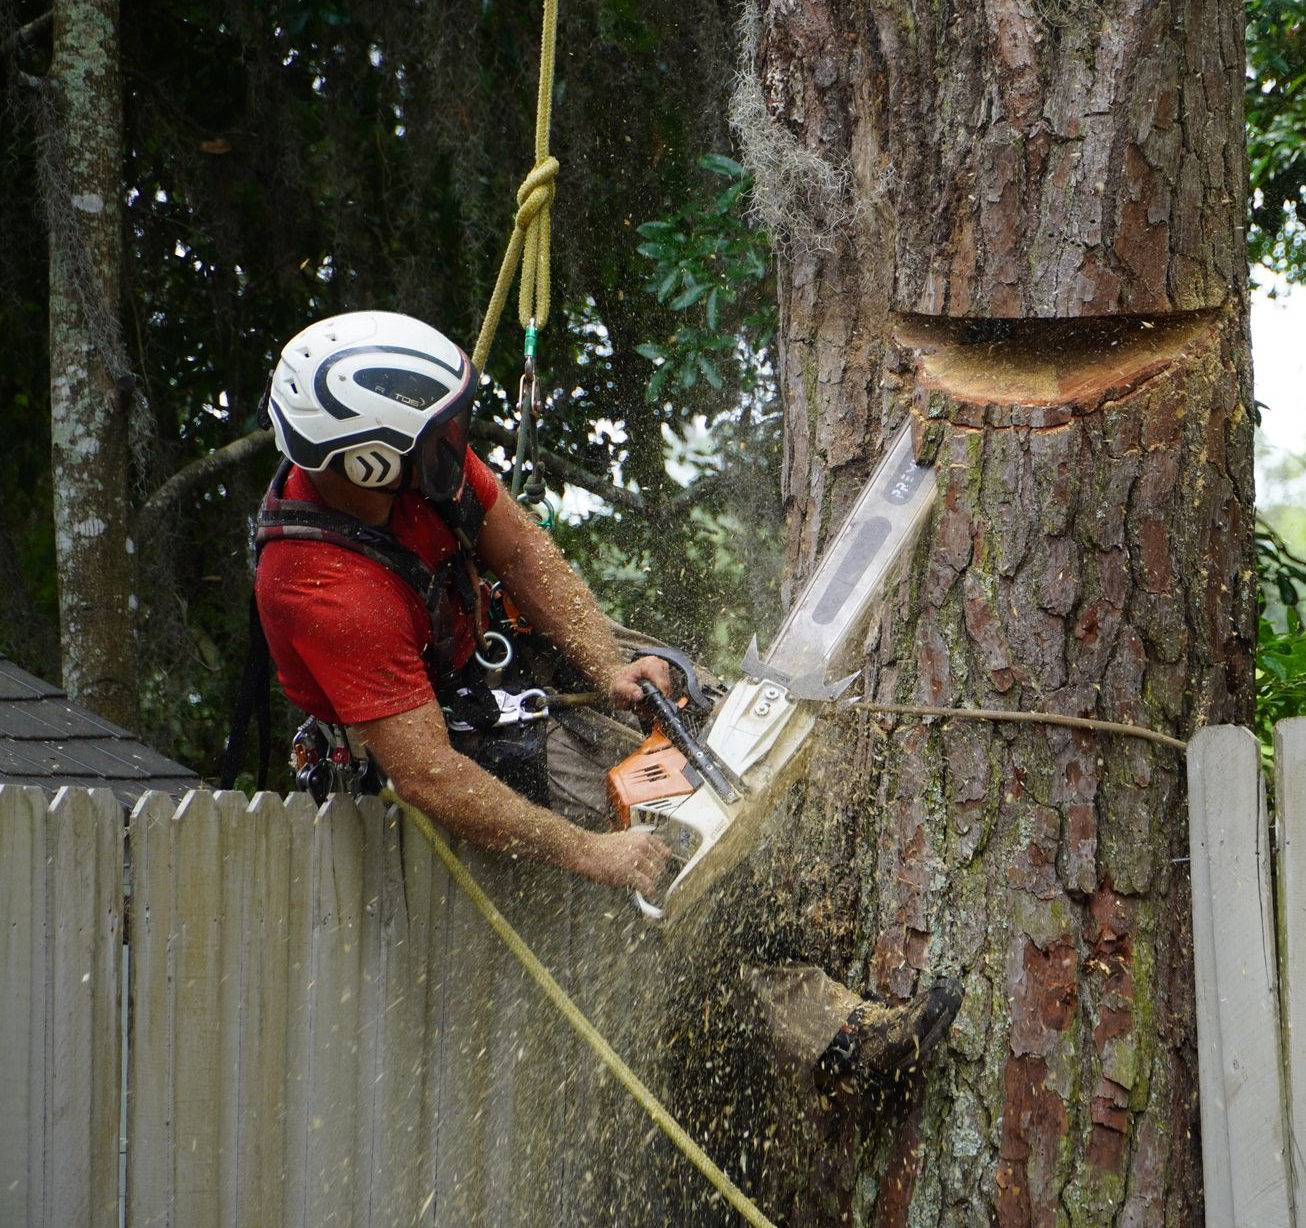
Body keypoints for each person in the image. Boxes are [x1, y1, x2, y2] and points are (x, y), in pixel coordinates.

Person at [242, 309, 958, 1092]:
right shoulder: (326, 589)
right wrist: (593, 853)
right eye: (442, 435)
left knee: (700, 716)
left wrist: (611, 668)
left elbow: (521, 550)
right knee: (678, 831)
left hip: (474, 646)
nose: (461, 444)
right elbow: (428, 775)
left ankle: (809, 899)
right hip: (426, 733)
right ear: (372, 461)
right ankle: (836, 1043)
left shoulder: (419, 472)